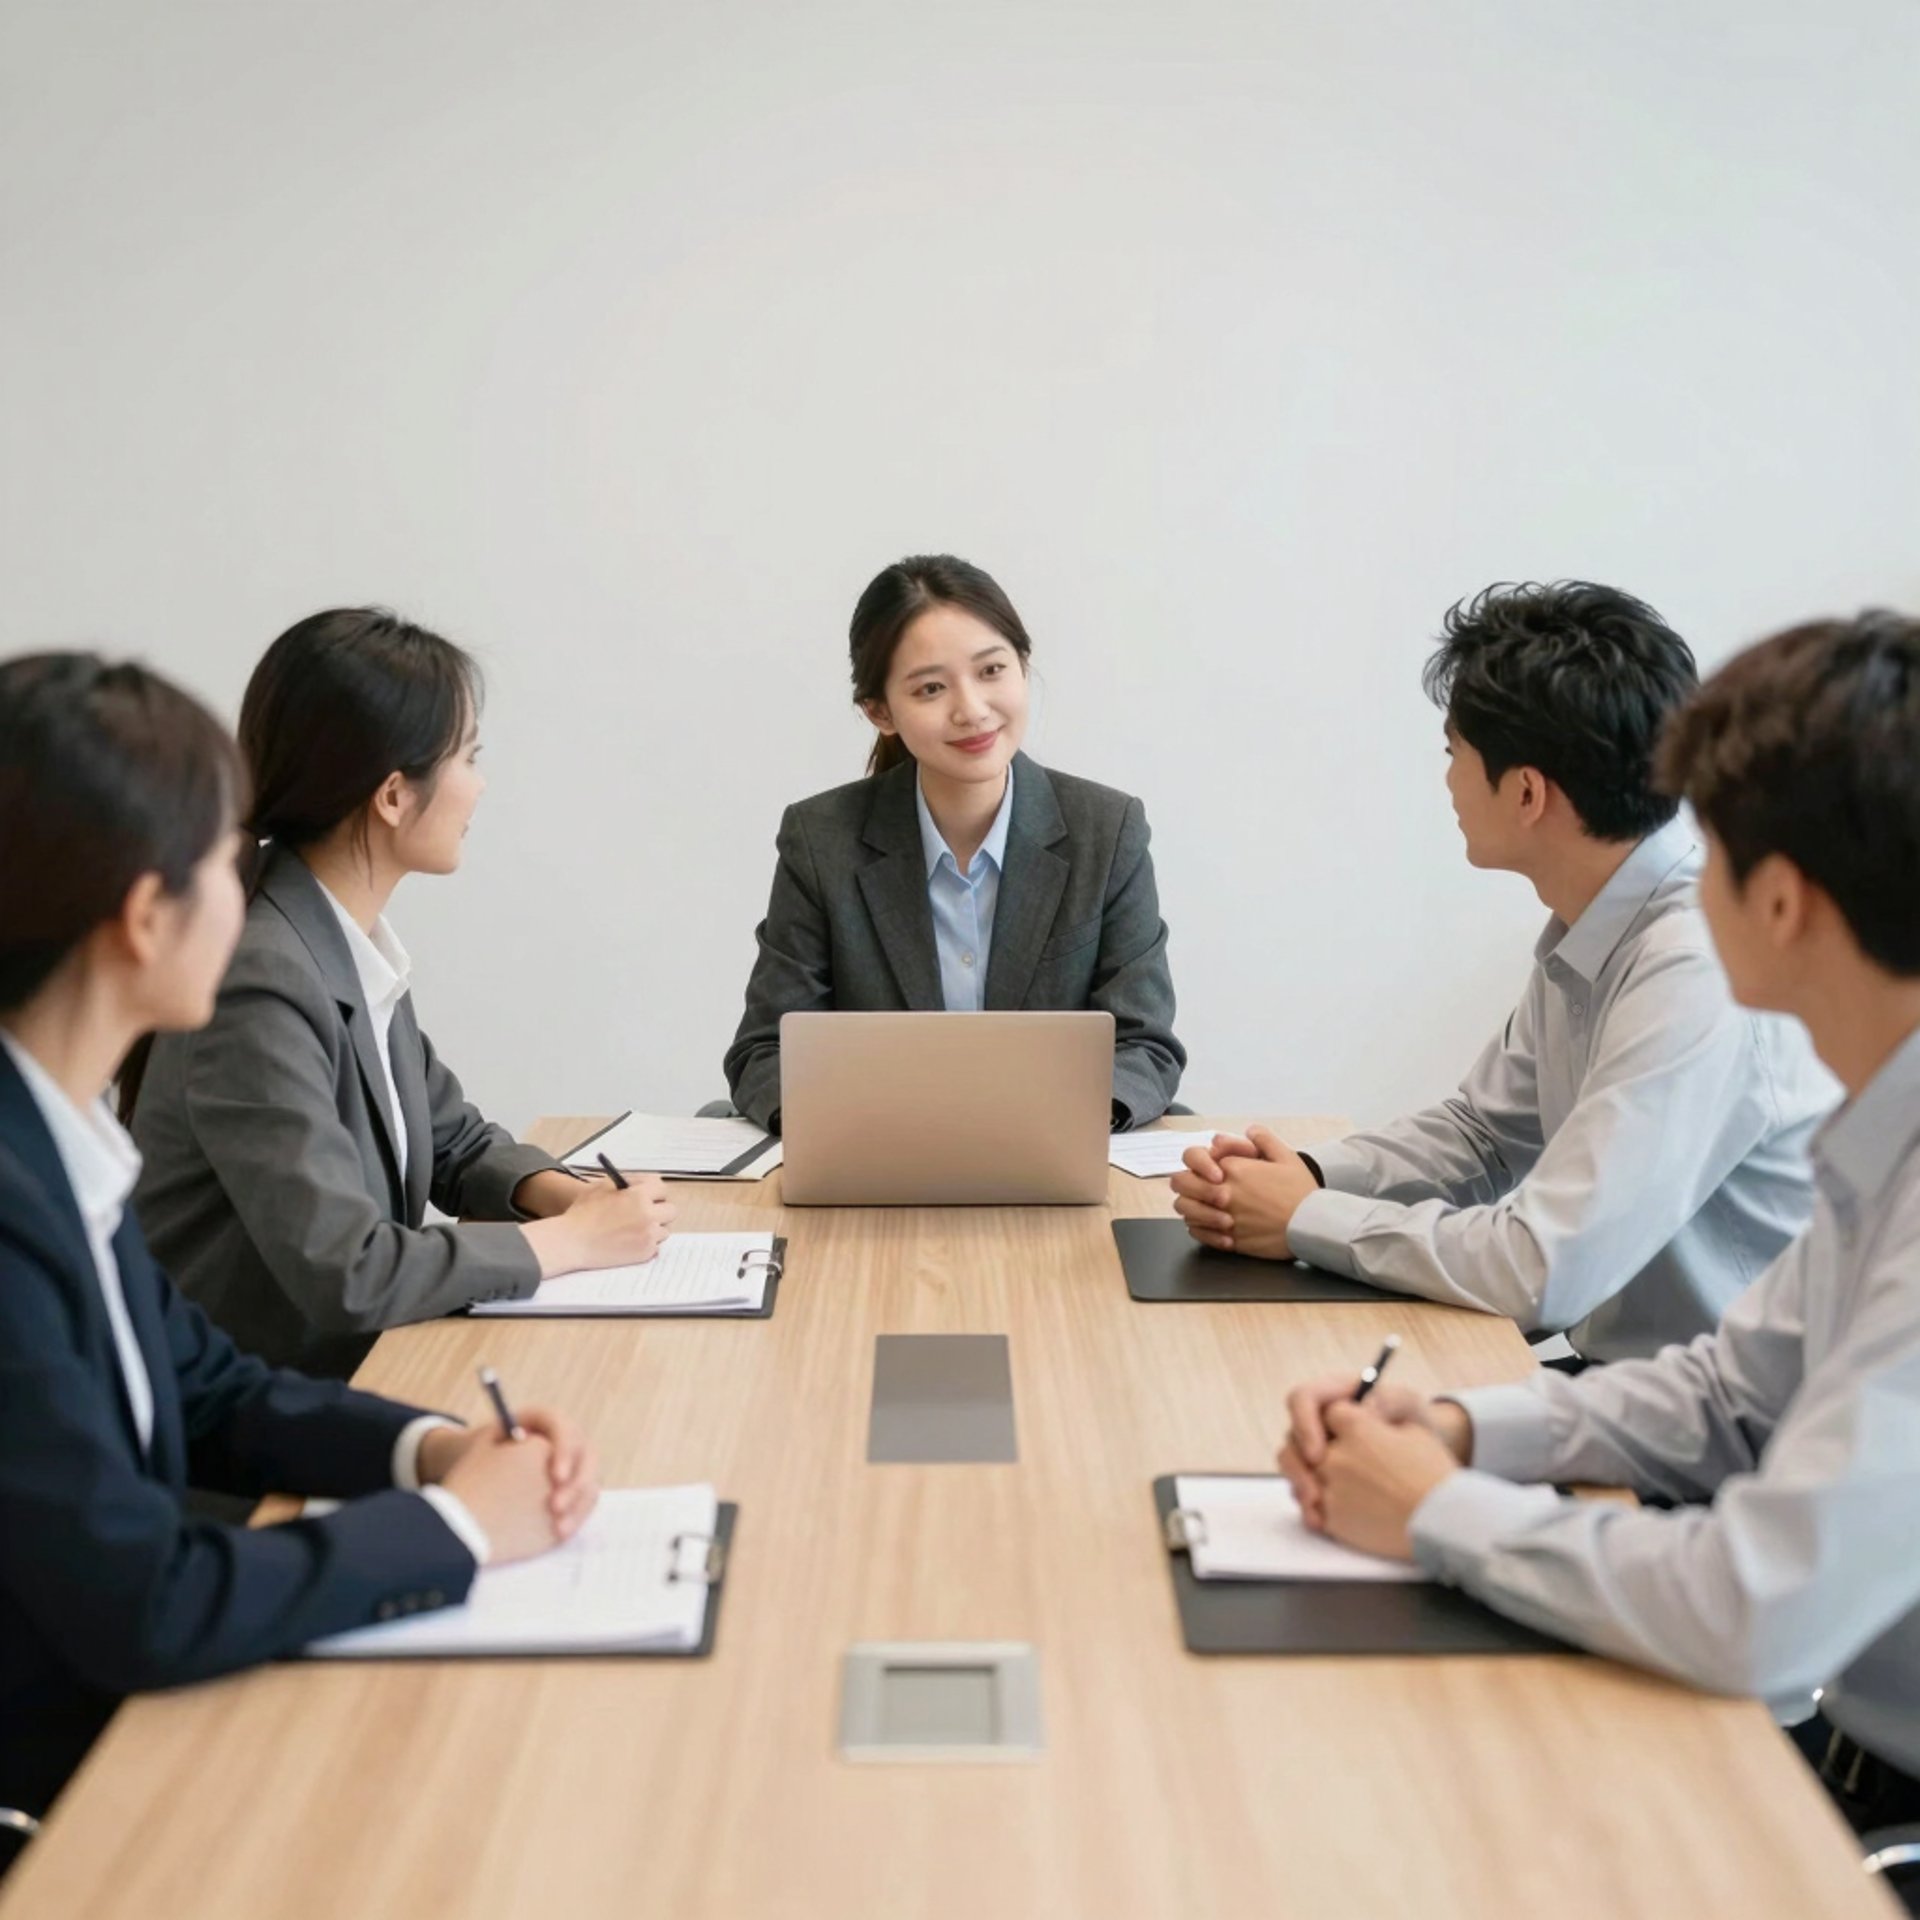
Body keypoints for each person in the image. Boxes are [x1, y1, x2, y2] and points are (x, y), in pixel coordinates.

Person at [1275, 612, 1920, 1867]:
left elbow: (1757, 1605)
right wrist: (1464, 1430)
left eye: (1713, 846)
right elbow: (1736, 1387)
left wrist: (1440, 1512)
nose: (1682, 862)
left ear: (1778, 900)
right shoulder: (1881, 1134)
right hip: (1836, 1747)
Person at [0, 652, 598, 1838]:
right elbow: (146, 1602)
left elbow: (208, 1386)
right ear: (143, 918)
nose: (257, 879)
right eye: (226, 858)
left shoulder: (52, 1140)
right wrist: (462, 1527)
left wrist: (435, 1452)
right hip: (69, 1786)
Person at [1174, 581, 1833, 1363]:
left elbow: (1543, 1266)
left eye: (1454, 753)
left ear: (1526, 792)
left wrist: (1304, 1217)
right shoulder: (1599, 922)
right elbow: (1484, 1137)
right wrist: (1305, 1174)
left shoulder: (1696, 967)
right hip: (1630, 1392)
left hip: (1720, 1438)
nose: (1447, 780)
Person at [128, 609, 674, 1379]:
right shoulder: (261, 977)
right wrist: (570, 1244)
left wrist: (568, 1199)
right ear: (392, 794)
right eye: (469, 757)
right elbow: (347, 1269)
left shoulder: (338, 942)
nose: (480, 787)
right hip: (254, 1423)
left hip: (355, 1372)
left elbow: (454, 1142)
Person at [723, 554, 1185, 1131]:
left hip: (1052, 1157)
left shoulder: (1107, 830)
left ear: (1022, 666)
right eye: (931, 688)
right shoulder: (821, 840)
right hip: (878, 1158)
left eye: (991, 671)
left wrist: (1070, 1122)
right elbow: (765, 1052)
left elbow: (1146, 1045)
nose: (971, 710)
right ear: (880, 711)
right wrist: (851, 1130)